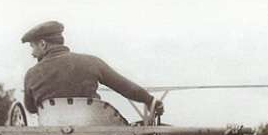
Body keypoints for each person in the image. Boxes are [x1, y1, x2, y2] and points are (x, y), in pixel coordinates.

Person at [21, 20, 164, 118]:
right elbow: (126, 88)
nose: (32, 53)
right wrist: (150, 100)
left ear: (43, 44)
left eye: (32, 47)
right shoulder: (91, 62)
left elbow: (32, 108)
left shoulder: (31, 74)